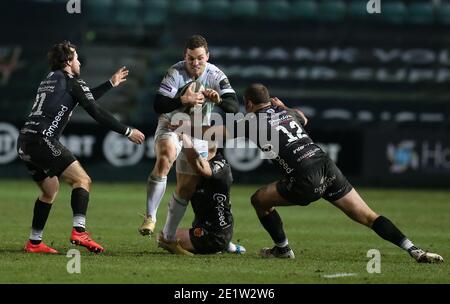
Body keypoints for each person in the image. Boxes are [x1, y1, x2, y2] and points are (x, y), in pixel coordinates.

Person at [232, 83, 443, 263]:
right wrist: (283, 106)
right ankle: (414, 250)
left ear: (248, 103)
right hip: (326, 165)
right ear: (269, 100)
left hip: (304, 176)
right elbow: (304, 119)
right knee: (369, 216)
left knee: (259, 200)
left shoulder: (250, 122)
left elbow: (217, 133)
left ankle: (283, 249)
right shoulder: (285, 112)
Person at [17, 41, 145, 254]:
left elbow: (80, 98)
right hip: (43, 140)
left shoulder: (50, 79)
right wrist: (127, 131)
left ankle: (34, 242)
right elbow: (95, 111)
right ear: (68, 61)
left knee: (50, 190)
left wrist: (110, 84)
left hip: (25, 142)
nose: (79, 62)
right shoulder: (72, 81)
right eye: (76, 58)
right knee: (82, 180)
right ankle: (79, 231)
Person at [139, 35, 239, 251]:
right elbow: (159, 105)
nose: (195, 63)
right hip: (172, 124)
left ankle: (168, 237)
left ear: (207, 57)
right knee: (166, 157)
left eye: (200, 59)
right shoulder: (175, 72)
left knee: (189, 188)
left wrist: (218, 99)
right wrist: (182, 100)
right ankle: (150, 216)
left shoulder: (215, 74)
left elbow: (234, 106)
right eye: (191, 59)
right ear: (184, 56)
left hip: (196, 130)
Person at [157, 134, 246, 255]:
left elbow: (200, 167)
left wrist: (186, 141)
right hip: (205, 227)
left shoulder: (220, 166)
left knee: (165, 237)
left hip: (215, 234)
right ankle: (227, 246)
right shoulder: (196, 167)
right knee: (166, 233)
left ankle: (221, 245)